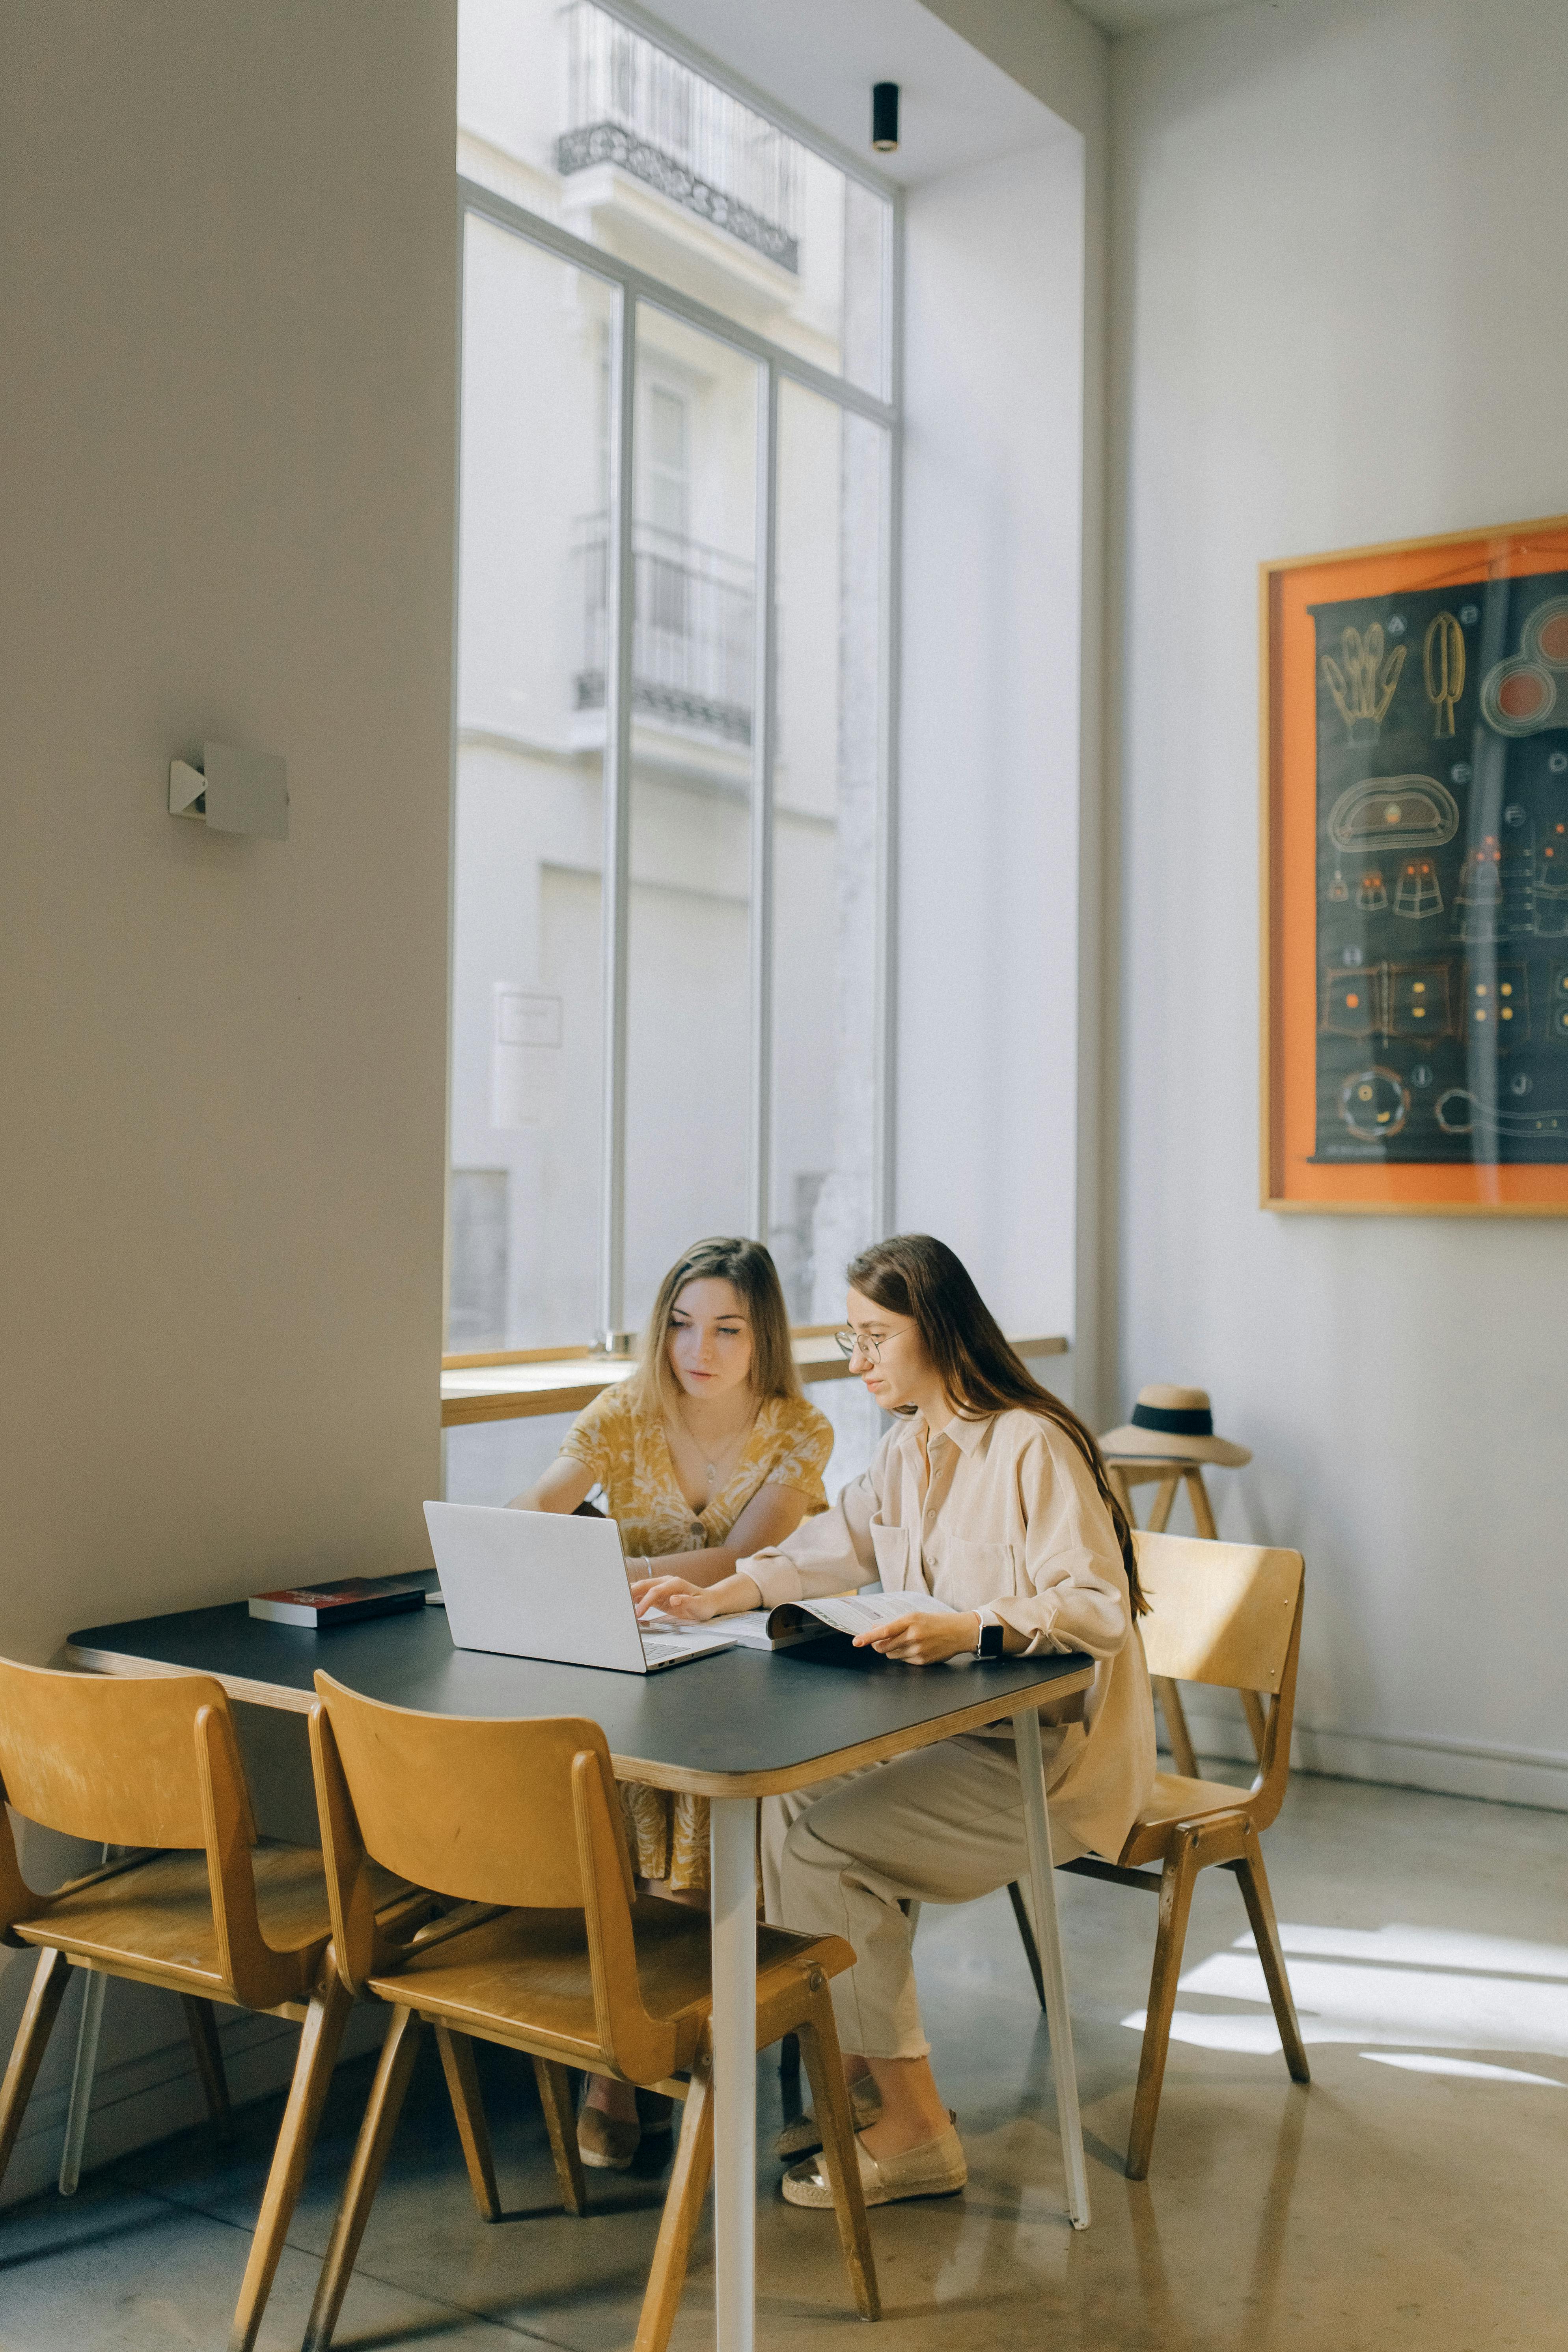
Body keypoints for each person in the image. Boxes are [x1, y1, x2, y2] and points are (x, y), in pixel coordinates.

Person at [634, 1233, 1156, 2210]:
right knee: (783, 1812)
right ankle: (874, 2086)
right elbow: (833, 1545)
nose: (858, 1359)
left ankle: (917, 2132)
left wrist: (973, 1624)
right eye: (851, 1338)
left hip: (1052, 1761)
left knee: (827, 1846)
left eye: (876, 1336)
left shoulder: (1032, 1445)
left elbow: (1097, 1609)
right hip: (959, 1742)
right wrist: (719, 1595)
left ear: (941, 1329)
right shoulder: (906, 1449)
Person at [509, 1235, 833, 2169]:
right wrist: (504, 1546)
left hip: (744, 1671)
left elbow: (746, 1559)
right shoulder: (626, 1411)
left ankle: (676, 2041)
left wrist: (614, 1564)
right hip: (629, 1661)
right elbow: (540, 1505)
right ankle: (623, 2055)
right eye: (684, 1324)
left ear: (763, 1336)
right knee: (603, 1790)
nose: (701, 1348)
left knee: (702, 1804)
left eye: (728, 1328)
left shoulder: (799, 1430)